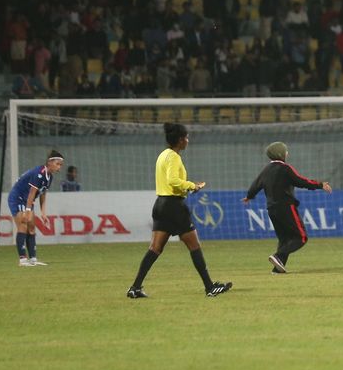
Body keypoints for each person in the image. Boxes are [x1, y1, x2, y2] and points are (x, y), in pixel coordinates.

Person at [126, 123, 232, 299]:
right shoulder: (174, 157)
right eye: (187, 138)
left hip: (161, 204)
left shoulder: (162, 155)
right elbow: (173, 180)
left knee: (155, 248)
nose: (188, 141)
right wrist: (193, 186)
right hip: (174, 206)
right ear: (181, 140)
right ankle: (209, 287)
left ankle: (135, 288)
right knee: (194, 245)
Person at [242, 142, 332, 274]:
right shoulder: (285, 168)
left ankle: (277, 269)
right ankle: (278, 256)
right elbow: (301, 181)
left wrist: (249, 196)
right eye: (286, 151)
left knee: (284, 239)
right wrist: (320, 185)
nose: (287, 153)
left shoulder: (266, 170)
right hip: (286, 207)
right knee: (301, 237)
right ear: (281, 154)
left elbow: (255, 185)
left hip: (271, 209)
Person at [8, 150, 65, 266]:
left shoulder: (49, 177)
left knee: (32, 228)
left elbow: (42, 194)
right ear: (50, 162)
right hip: (18, 198)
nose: (59, 167)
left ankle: (33, 259)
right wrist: (28, 211)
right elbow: (31, 193)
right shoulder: (39, 173)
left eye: (61, 165)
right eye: (58, 164)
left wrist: (43, 214)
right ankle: (23, 260)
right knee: (23, 224)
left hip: (28, 200)